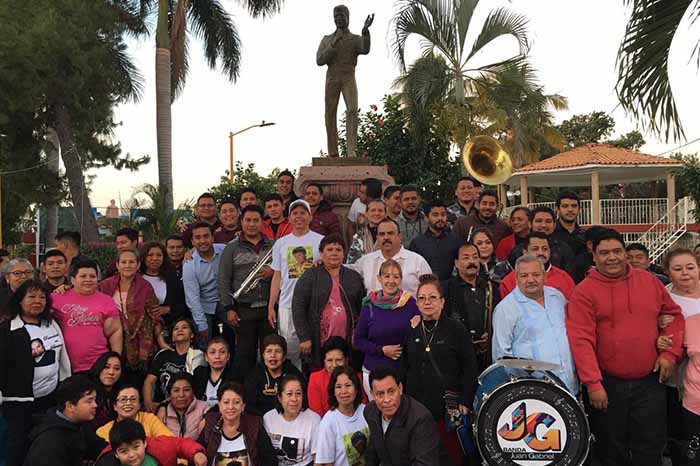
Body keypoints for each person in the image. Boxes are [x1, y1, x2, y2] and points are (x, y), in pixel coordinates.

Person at [567, 229, 684, 466]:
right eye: (604, 253)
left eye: (617, 251)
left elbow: (673, 316)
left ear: (625, 253)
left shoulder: (649, 281)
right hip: (608, 385)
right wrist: (593, 383)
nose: (612, 258)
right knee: (611, 450)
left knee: (650, 447)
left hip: (650, 382)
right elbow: (581, 340)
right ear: (594, 256)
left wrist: (670, 354)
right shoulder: (584, 291)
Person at [401, 274, 478, 466]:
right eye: (422, 298)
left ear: (442, 302)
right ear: (417, 303)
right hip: (417, 407)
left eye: (432, 297)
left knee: (451, 457)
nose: (427, 302)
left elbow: (470, 368)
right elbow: (405, 366)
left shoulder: (456, 330)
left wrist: (465, 400)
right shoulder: (412, 330)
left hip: (447, 408)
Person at [0, 280, 71, 466]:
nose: (37, 301)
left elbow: (62, 355)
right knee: (17, 445)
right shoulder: (8, 329)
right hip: (18, 401)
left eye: (42, 297)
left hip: (50, 397)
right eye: (31, 296)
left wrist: (65, 382)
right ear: (20, 300)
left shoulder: (52, 323)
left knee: (45, 444)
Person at [493, 254, 579, 394]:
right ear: (516, 278)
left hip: (569, 385)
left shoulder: (557, 297)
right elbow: (501, 355)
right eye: (524, 276)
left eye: (536, 274)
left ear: (544, 276)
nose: (531, 280)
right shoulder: (506, 308)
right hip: (534, 391)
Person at [292, 234, 365, 371]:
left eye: (338, 250)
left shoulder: (353, 276)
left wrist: (359, 333)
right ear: (321, 253)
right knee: (319, 373)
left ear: (344, 253)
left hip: (348, 338)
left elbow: (362, 308)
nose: (334, 253)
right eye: (329, 249)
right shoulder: (310, 275)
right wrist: (304, 337)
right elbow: (298, 306)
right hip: (317, 339)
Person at [219, 204, 275, 375]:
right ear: (241, 222)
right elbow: (223, 279)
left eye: (256, 220)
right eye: (248, 220)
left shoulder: (274, 245)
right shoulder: (231, 248)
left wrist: (273, 272)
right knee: (245, 354)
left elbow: (284, 273)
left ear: (262, 222)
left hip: (269, 310)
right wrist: (229, 308)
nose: (252, 224)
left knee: (270, 353)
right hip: (243, 310)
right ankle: (246, 388)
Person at [268, 199, 324, 369]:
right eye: (295, 213)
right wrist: (271, 306)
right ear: (289, 218)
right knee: (290, 349)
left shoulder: (321, 241)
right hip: (287, 304)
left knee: (316, 347)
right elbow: (277, 275)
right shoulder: (281, 243)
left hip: (314, 304)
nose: (299, 216)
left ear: (310, 216)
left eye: (303, 212)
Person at [99, 249, 167, 385]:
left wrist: (161, 340)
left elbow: (154, 316)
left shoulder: (145, 286)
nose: (127, 265)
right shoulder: (105, 286)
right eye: (124, 262)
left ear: (138, 265)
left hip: (140, 345)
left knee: (136, 383)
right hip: (111, 341)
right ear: (117, 265)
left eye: (131, 262)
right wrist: (63, 288)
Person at [354, 259, 420, 399]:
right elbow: (358, 340)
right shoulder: (369, 305)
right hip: (373, 372)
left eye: (396, 276)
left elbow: (418, 336)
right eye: (387, 276)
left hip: (401, 372)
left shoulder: (410, 304)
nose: (391, 281)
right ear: (379, 278)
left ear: (401, 280)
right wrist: (381, 350)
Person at [317, 5, 373, 158]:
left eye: (341, 16)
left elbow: (365, 49)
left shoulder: (354, 39)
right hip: (332, 77)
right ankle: (333, 152)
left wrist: (365, 32)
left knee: (353, 110)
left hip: (349, 76)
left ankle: (351, 150)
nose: (338, 19)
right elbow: (320, 60)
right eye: (336, 17)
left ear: (348, 18)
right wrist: (333, 44)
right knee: (330, 113)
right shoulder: (327, 39)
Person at [51, 258, 123, 372]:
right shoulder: (56, 298)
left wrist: (115, 360)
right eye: (83, 276)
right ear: (73, 280)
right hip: (64, 366)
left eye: (92, 276)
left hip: (98, 365)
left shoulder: (106, 300)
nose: (88, 280)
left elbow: (115, 331)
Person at [364, 366, 445, 466]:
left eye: (391, 391)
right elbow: (373, 452)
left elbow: (424, 463)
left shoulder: (420, 419)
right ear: (372, 394)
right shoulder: (370, 412)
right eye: (380, 394)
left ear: (400, 388)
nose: (387, 400)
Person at [24, 375, 108, 466]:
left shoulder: (80, 424)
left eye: (95, 400)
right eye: (89, 401)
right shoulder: (49, 441)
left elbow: (101, 448)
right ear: (70, 406)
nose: (95, 405)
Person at [662, 249, 700, 440]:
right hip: (678, 379)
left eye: (690, 267)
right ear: (667, 272)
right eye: (677, 269)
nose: (685, 273)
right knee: (684, 435)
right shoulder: (664, 299)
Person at [443, 242, 500, 371]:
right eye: (466, 258)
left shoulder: (491, 287)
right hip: (457, 355)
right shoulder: (446, 289)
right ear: (456, 263)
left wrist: (491, 334)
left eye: (475, 257)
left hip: (487, 354)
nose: (472, 262)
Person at [199, 381, 278, 466]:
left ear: (243, 406)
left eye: (236, 402)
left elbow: (270, 460)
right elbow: (197, 450)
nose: (231, 407)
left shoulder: (254, 425)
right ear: (219, 405)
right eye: (226, 402)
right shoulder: (211, 423)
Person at [352, 218, 432, 295]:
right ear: (377, 238)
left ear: (400, 236)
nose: (386, 237)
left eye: (390, 233)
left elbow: (431, 291)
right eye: (382, 234)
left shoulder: (417, 262)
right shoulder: (365, 262)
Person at [143, 317, 205, 412]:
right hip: (158, 405)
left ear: (192, 335)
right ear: (172, 336)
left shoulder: (198, 356)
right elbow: (149, 381)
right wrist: (148, 402)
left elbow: (195, 389)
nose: (180, 330)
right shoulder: (162, 354)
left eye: (184, 327)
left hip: (186, 406)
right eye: (176, 328)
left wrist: (164, 406)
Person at [315, 366, 369, 466]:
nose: (344, 391)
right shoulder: (328, 422)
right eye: (338, 387)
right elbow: (325, 463)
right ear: (333, 392)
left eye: (348, 385)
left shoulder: (366, 411)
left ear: (356, 389)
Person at [95, 418, 207, 466]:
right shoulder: (106, 463)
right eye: (124, 451)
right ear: (116, 454)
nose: (132, 455)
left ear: (145, 443)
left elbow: (180, 444)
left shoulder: (160, 447)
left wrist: (197, 454)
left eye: (136, 447)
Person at [183, 221, 227, 342]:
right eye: (197, 237)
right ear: (192, 242)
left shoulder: (224, 251)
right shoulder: (189, 265)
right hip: (204, 305)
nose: (202, 241)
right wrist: (201, 324)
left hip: (226, 301)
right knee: (203, 341)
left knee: (240, 332)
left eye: (206, 236)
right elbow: (192, 298)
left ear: (213, 238)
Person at [263, 374, 321, 466]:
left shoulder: (314, 419)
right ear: (279, 397)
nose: (294, 399)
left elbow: (318, 459)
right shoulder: (268, 418)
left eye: (298, 394)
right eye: (289, 394)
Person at [499, 232, 576, 299]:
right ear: (525, 252)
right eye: (535, 249)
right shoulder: (509, 281)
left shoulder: (564, 278)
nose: (541, 253)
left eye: (545, 249)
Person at [244, 334, 306, 416]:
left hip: (288, 418)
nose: (273, 355)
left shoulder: (294, 375)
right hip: (261, 419)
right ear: (263, 355)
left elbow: (302, 402)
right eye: (269, 351)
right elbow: (249, 405)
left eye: (278, 351)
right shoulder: (254, 375)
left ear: (284, 356)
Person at [509, 206, 576, 276]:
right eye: (539, 221)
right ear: (530, 224)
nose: (543, 225)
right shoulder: (518, 251)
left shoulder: (564, 250)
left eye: (548, 221)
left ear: (554, 225)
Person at [308, 337, 365, 417]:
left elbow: (362, 406)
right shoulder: (315, 379)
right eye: (329, 360)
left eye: (338, 360)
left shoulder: (357, 376)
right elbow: (316, 414)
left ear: (346, 360)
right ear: (324, 361)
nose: (334, 365)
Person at [140, 241, 189, 335]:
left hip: (166, 328)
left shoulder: (172, 278)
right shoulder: (136, 278)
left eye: (159, 255)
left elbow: (183, 304)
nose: (155, 258)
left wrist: (167, 309)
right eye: (150, 255)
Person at [97, 384, 174, 441]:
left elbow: (170, 441)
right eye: (123, 399)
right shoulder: (103, 431)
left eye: (133, 399)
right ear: (115, 406)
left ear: (139, 405)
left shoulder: (149, 419)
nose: (128, 403)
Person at [409, 200, 461, 281]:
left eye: (443, 214)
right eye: (435, 215)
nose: (440, 218)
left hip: (451, 286)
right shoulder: (417, 243)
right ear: (426, 218)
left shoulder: (455, 241)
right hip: (425, 285)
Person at [157, 372, 210, 440]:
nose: (181, 395)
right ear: (170, 393)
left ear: (193, 392)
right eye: (176, 390)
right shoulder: (162, 412)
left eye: (186, 390)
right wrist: (161, 406)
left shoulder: (204, 408)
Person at [193, 336, 242, 406]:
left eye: (222, 352)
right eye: (212, 352)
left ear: (228, 356)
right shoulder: (199, 374)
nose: (217, 356)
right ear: (206, 357)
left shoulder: (235, 376)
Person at [89, 351, 124, 429]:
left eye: (117, 369)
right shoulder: (88, 392)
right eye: (106, 367)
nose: (111, 372)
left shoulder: (123, 393)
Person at [346, 198, 386, 265]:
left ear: (385, 214)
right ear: (366, 214)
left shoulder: (392, 233)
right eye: (373, 210)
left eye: (380, 210)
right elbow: (352, 262)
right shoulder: (359, 236)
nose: (377, 213)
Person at [551, 191, 587, 258]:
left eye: (574, 206)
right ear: (557, 209)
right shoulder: (551, 233)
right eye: (565, 206)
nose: (570, 209)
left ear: (579, 209)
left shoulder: (585, 236)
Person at [164, 235, 189, 320]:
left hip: (189, 315)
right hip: (166, 318)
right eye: (171, 247)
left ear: (184, 248)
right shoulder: (161, 270)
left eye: (179, 247)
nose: (175, 250)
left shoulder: (191, 266)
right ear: (166, 249)